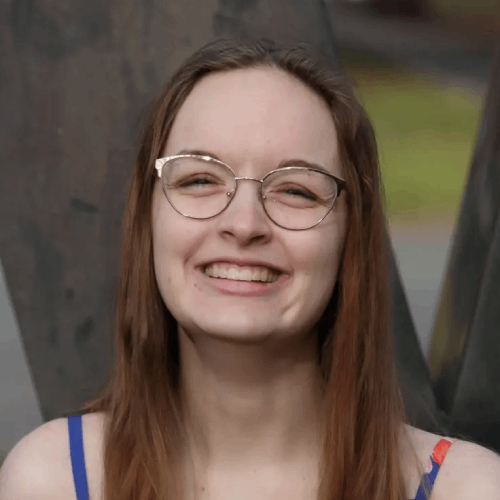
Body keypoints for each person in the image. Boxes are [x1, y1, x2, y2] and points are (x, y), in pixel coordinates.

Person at [1, 37, 499, 500]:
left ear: (351, 239)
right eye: (199, 179)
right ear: (147, 221)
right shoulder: (54, 480)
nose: (244, 224)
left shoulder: (466, 489)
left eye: (296, 190)